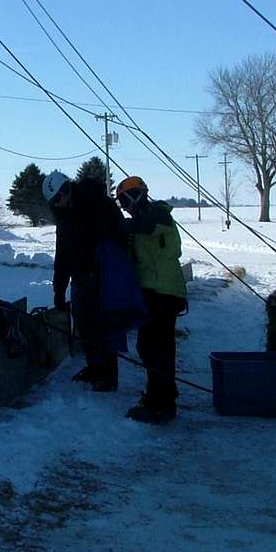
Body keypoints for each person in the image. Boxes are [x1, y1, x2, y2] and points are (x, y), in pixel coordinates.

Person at [44, 170, 130, 392]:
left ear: (66, 190)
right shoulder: (65, 218)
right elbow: (61, 256)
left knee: (105, 326)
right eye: (53, 202)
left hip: (105, 276)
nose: (56, 205)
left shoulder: (99, 204)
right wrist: (58, 291)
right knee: (84, 325)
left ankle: (108, 375)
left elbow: (121, 236)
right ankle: (94, 367)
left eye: (57, 199)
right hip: (81, 278)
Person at [116, 176, 188, 424]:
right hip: (154, 291)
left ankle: (162, 405)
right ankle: (163, 395)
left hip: (165, 293)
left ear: (136, 195)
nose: (125, 207)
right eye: (121, 203)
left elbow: (143, 226)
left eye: (125, 200)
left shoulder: (158, 214)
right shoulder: (141, 220)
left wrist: (117, 224)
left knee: (156, 348)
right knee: (153, 347)